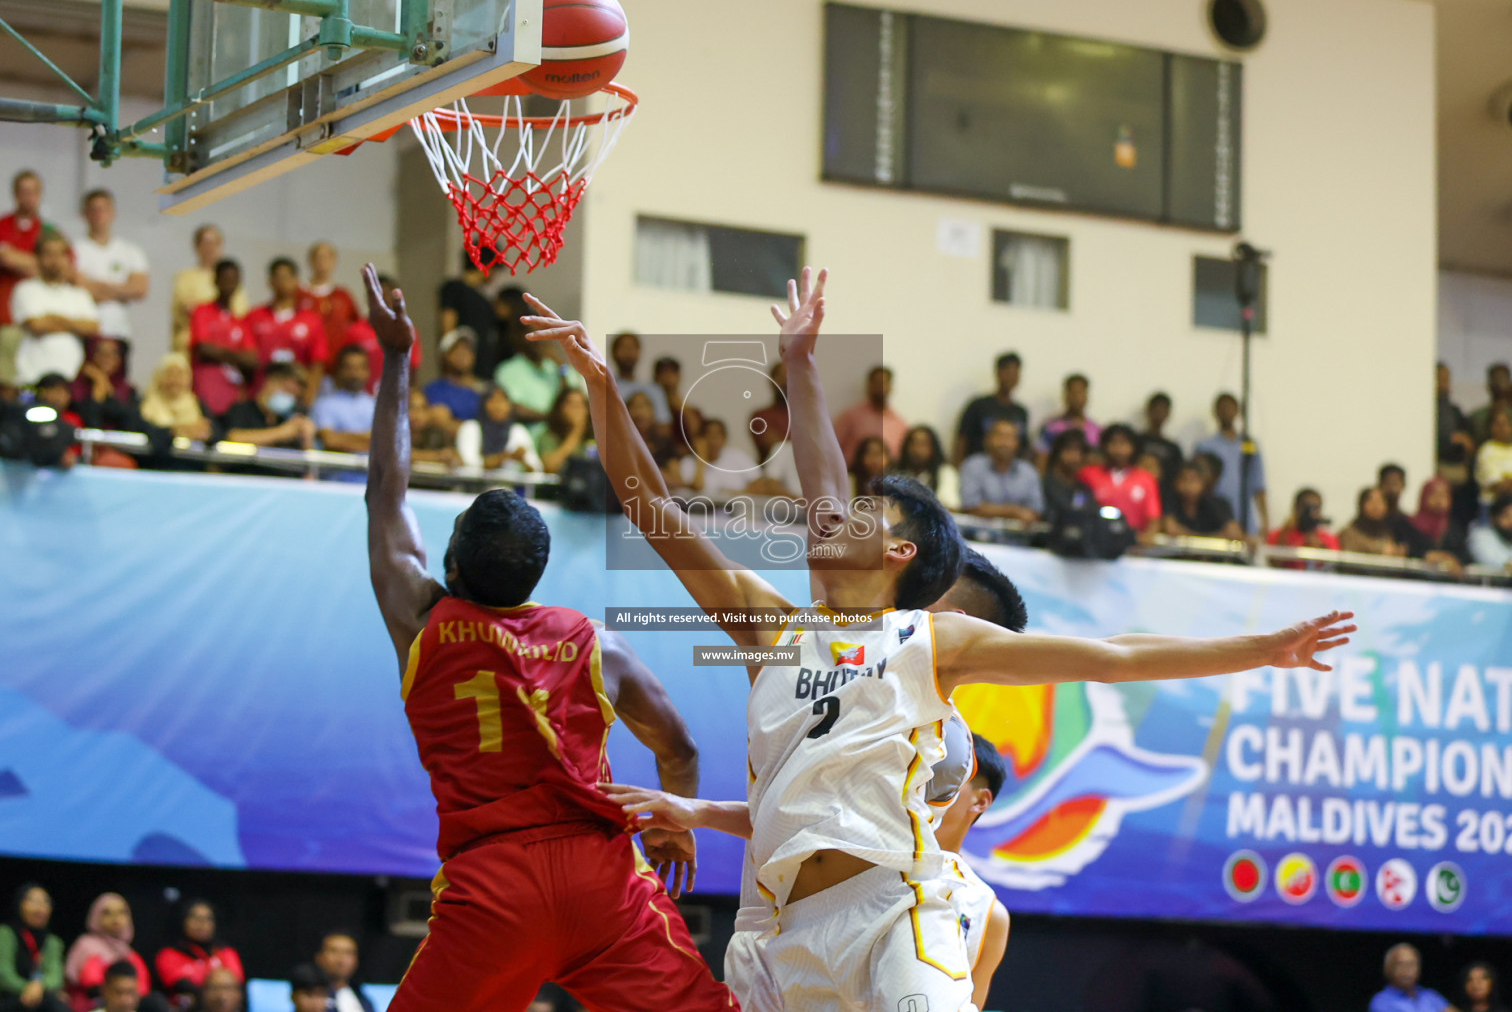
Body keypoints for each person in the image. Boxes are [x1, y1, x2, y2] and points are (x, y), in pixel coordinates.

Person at [523, 263, 1354, 1012]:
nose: (829, 513)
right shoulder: (770, 625)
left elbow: (1112, 656)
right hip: (778, 931)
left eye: (859, 512)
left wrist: (1260, 648)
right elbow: (651, 509)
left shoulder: (930, 640)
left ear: (897, 552)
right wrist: (604, 383)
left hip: (892, 913)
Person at [358, 265, 737, 1011]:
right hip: (602, 880)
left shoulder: (423, 622)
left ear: (454, 561)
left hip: (493, 888)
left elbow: (385, 491)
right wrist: (672, 825)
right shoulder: (599, 645)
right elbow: (681, 748)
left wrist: (400, 357)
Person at [601, 545, 1027, 1012]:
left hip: (862, 934)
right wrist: (698, 812)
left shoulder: (934, 737)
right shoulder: (827, 657)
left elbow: (830, 829)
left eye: (917, 588)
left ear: (951, 618)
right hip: (776, 939)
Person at [931, 733, 1011, 1011]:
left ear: (980, 801)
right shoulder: (855, 863)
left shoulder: (990, 914)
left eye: (943, 775)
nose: (924, 785)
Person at [70, 189, 149, 373]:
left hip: (119, 330)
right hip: (87, 330)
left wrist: (97, 286)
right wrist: (121, 291)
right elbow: (79, 289)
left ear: (113, 213)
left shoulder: (130, 251)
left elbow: (140, 289)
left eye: (103, 209)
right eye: (94, 209)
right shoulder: (75, 249)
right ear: (84, 214)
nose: (99, 215)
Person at [0, 171, 50, 384]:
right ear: (15, 195)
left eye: (33, 192)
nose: (28, 197)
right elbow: (6, 258)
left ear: (40, 195)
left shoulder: (48, 230)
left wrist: (22, 262)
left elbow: (64, 268)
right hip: (7, 315)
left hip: (39, 316)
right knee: (6, 379)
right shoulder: (2, 225)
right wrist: (43, 265)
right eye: (24, 192)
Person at [12, 232, 99, 387]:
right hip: (33, 376)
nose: (55, 260)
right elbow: (36, 325)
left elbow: (92, 327)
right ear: (38, 258)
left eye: (60, 254)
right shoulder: (26, 289)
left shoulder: (80, 294)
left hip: (72, 378)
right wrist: (74, 324)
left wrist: (52, 318)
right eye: (49, 254)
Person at [246, 258, 328, 409]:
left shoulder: (311, 320)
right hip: (261, 395)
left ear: (296, 280)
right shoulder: (254, 316)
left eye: (287, 277)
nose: (282, 282)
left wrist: (310, 393)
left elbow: (318, 363)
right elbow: (248, 358)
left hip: (296, 397)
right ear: (270, 281)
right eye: (277, 277)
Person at [0, 883, 69, 1012]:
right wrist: (30, 989)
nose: (40, 908)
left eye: (46, 902)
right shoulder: (3, 934)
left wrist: (39, 987)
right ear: (19, 904)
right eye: (33, 901)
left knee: (58, 1004)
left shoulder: (52, 941)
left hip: (38, 998)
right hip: (1, 1001)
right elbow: (3, 976)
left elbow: (55, 976)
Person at [188, 260, 258, 418]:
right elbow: (204, 349)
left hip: (234, 397)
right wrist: (237, 356)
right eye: (225, 279)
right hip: (205, 391)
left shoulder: (240, 321)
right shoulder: (202, 311)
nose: (229, 284)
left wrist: (219, 352)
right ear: (216, 280)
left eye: (234, 279)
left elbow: (252, 360)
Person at [63, 895, 153, 1012]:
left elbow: (143, 984)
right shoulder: (86, 946)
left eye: (121, 912)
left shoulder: (127, 951)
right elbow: (91, 982)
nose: (115, 918)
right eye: (107, 913)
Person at [1194, 392, 1268, 534]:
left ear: (1238, 411)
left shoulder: (1249, 445)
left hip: (1243, 514)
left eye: (1230, 407)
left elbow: (1258, 483)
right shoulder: (1205, 445)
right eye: (1222, 408)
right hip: (1214, 513)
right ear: (1215, 412)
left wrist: (1265, 521)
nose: (1226, 411)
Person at [153, 901, 244, 1012]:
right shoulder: (168, 955)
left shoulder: (227, 953)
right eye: (195, 918)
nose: (201, 923)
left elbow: (235, 986)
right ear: (184, 921)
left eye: (207, 919)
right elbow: (181, 986)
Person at [220, 363, 318, 463]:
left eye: (295, 396)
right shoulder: (242, 410)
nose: (289, 398)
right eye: (287, 390)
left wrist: (308, 439)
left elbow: (308, 466)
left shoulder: (288, 420)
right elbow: (233, 438)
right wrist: (282, 432)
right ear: (270, 382)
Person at [171, 226, 249, 352]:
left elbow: (239, 311)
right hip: (190, 345)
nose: (210, 248)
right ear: (196, 246)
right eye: (205, 243)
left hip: (226, 345)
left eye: (214, 243)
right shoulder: (185, 277)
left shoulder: (231, 278)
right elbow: (186, 309)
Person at [340, 273, 421, 393]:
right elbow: (344, 369)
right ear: (368, 297)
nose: (384, 299)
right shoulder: (354, 331)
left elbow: (413, 370)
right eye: (378, 295)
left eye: (388, 295)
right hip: (362, 400)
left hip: (396, 398)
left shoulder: (408, 331)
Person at [1078, 423, 1162, 534]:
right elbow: (1078, 507)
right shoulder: (1088, 474)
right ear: (1104, 446)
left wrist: (1147, 538)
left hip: (1133, 542)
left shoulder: (1146, 479)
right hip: (1096, 538)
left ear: (1133, 447)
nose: (1118, 449)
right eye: (1113, 443)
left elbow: (1153, 517)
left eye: (1123, 443)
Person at [958, 418, 1044, 523]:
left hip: (1018, 536)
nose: (1004, 443)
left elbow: (1035, 511)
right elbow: (970, 506)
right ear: (988, 440)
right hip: (978, 533)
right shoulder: (973, 465)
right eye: (999, 436)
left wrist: (991, 510)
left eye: (1009, 437)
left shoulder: (1028, 471)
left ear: (1017, 443)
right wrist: (1013, 512)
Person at [496, 326, 581, 430]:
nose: (539, 341)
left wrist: (560, 365)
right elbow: (513, 408)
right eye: (534, 336)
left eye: (543, 335)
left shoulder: (558, 368)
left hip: (559, 435)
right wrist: (550, 418)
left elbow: (574, 399)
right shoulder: (508, 370)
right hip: (526, 435)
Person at [438, 250, 504, 381]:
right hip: (464, 372)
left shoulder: (483, 299)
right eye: (495, 268)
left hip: (483, 371)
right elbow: (448, 329)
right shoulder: (455, 288)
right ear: (487, 265)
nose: (495, 275)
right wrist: (451, 364)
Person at [954, 351, 1027, 463]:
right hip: (978, 469)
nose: (1011, 377)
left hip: (1010, 473)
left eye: (1015, 373)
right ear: (998, 373)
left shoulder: (1021, 412)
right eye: (1008, 372)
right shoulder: (978, 406)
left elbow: (1023, 446)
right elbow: (962, 440)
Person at [310, 346, 374, 472]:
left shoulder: (376, 405)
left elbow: (386, 444)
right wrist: (370, 439)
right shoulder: (324, 405)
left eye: (360, 368)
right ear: (339, 371)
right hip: (335, 478)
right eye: (349, 368)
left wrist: (342, 437)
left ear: (368, 371)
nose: (355, 374)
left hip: (370, 478)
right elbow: (330, 441)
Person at [299, 242, 361, 365]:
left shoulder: (343, 296)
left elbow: (356, 327)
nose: (323, 261)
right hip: (305, 364)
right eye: (319, 257)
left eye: (328, 257)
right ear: (310, 260)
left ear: (335, 261)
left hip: (336, 366)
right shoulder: (299, 294)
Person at [832, 366, 907, 465]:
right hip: (853, 476)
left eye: (884, 382)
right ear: (869, 385)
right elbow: (832, 448)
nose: (881, 387)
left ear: (891, 386)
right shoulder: (850, 417)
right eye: (877, 382)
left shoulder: (899, 424)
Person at [455, 385, 539, 473]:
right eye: (493, 401)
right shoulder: (471, 428)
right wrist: (507, 457)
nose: (498, 406)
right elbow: (470, 464)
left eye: (503, 401)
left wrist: (523, 461)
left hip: (509, 486)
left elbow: (536, 468)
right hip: (476, 486)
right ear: (483, 404)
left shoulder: (518, 431)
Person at [673, 418, 760, 500]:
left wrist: (735, 493)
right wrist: (701, 458)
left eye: (718, 436)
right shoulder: (688, 462)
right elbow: (698, 486)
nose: (714, 441)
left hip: (736, 509)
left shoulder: (736, 456)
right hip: (700, 512)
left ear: (725, 438)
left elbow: (759, 483)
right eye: (709, 436)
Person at [1161, 458, 1242, 540]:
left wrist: (1187, 534)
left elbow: (1233, 532)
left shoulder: (1218, 504)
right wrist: (1217, 536)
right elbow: (1171, 529)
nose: (1188, 486)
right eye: (1184, 479)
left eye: (1193, 480)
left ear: (1205, 483)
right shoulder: (1169, 500)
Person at [140, 354, 213, 442]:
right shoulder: (144, 405)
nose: (175, 380)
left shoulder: (198, 405)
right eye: (169, 374)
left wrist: (206, 433)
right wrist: (174, 431)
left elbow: (216, 435)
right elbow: (142, 431)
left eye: (180, 374)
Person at [422, 329, 487, 426]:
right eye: (456, 350)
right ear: (445, 357)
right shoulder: (434, 390)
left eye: (467, 349)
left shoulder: (487, 389)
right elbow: (440, 421)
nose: (463, 354)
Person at [892, 424, 959, 510]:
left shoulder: (945, 473)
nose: (917, 450)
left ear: (933, 448)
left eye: (923, 444)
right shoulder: (897, 473)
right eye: (913, 444)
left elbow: (951, 508)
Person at [610, 332, 670, 428]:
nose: (628, 351)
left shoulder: (655, 390)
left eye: (632, 347)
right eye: (623, 347)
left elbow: (664, 425)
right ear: (613, 353)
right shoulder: (605, 388)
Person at [1369, 944, 1450, 1012]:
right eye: (1401, 964)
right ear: (1389, 969)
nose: (1407, 970)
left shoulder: (1430, 996)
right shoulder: (1381, 1002)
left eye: (1411, 964)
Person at [1040, 427, 1096, 524]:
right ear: (1057, 453)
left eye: (1078, 451)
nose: (1074, 457)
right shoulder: (1044, 485)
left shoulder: (1083, 488)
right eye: (1069, 450)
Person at [1036, 373, 1100, 454]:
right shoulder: (1051, 427)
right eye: (1073, 393)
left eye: (1081, 393)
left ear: (1086, 396)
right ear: (1065, 396)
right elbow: (1041, 457)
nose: (1077, 398)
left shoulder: (1097, 430)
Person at [1412, 478, 1471, 565]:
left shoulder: (1455, 529)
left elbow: (1465, 557)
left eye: (1444, 495)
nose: (1439, 500)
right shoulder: (1411, 525)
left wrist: (1448, 558)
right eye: (1434, 494)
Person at [536, 386, 595, 474]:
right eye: (571, 405)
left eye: (580, 405)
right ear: (560, 408)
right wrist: (577, 431)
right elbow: (550, 467)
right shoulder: (549, 436)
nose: (575, 410)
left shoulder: (596, 437)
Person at [312, 933, 372, 1012]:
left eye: (348, 953)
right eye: (334, 951)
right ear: (319, 957)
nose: (341, 960)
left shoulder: (362, 998)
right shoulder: (311, 996)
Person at [1339, 487, 1407, 557]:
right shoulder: (1349, 533)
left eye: (1380, 502)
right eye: (1371, 501)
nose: (1376, 506)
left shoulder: (1386, 533)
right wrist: (1380, 551)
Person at [406, 387, 462, 467]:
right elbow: (401, 455)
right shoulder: (395, 434)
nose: (417, 414)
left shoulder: (436, 433)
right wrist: (437, 456)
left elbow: (456, 458)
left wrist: (450, 457)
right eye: (411, 408)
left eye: (423, 409)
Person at [1140, 391, 1183, 493]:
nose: (1159, 412)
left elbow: (1177, 475)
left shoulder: (1173, 447)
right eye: (1156, 408)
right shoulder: (1136, 441)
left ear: (1168, 413)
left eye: (1163, 409)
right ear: (1148, 410)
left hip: (1164, 494)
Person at [746, 362, 788, 461]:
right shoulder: (760, 416)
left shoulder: (807, 417)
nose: (785, 382)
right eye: (781, 378)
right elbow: (777, 447)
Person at [1437, 363, 1474, 464]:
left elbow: (1467, 438)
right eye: (1442, 380)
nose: (1446, 385)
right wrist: (1450, 439)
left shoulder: (1454, 411)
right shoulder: (1423, 410)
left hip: (1456, 462)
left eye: (1447, 380)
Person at [1475, 407, 1512, 506]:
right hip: (1492, 506)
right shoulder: (1486, 450)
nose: (1502, 428)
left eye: (1505, 424)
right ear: (1491, 427)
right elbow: (1497, 485)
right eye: (1497, 424)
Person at [1469, 363, 1512, 445]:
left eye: (1503, 380)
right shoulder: (1476, 418)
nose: (1499, 385)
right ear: (1488, 386)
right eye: (1496, 380)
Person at [1469, 495, 1512, 569]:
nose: (1511, 522)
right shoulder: (1481, 535)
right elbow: (1490, 560)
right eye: (1506, 516)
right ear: (1493, 518)